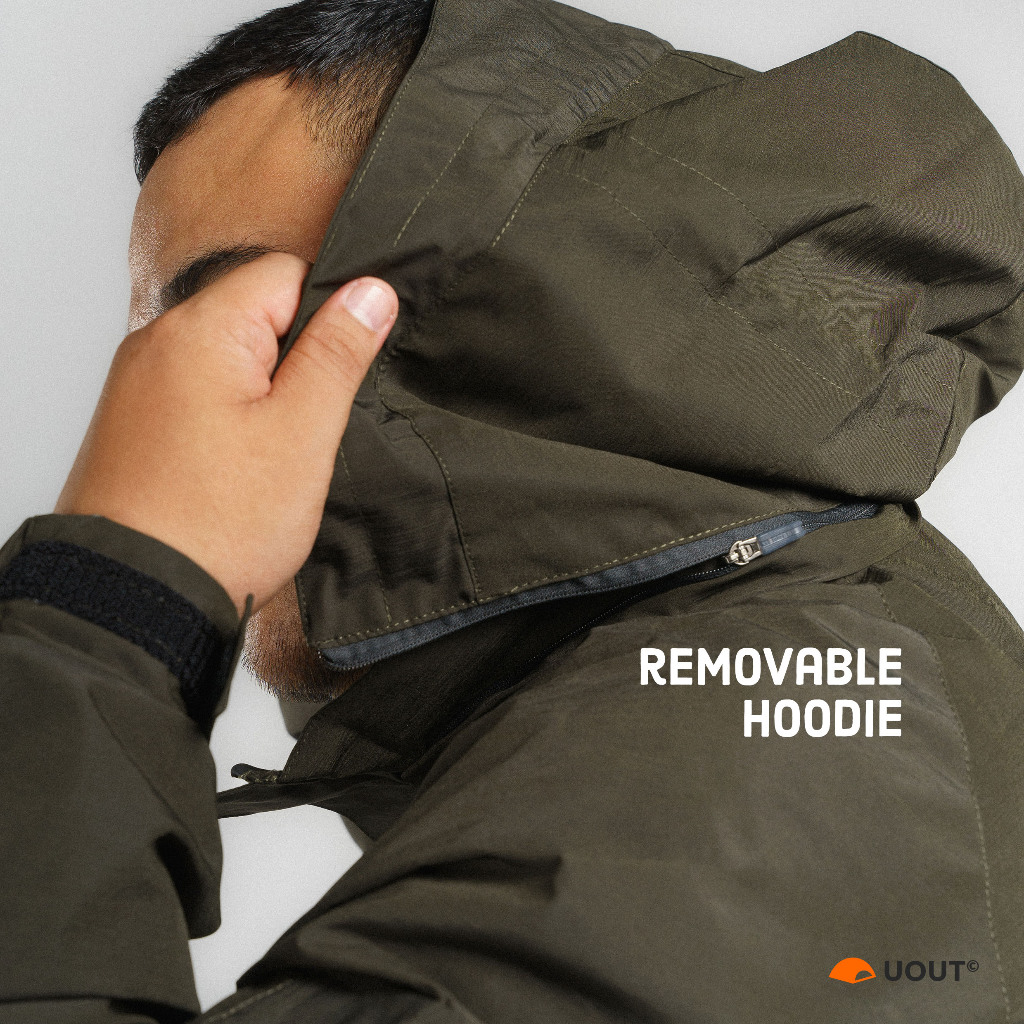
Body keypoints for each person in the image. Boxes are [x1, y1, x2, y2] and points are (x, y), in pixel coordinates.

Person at [3, 0, 1024, 1021]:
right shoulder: (791, 676)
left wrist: (106, 603)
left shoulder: (739, 790)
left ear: (523, 294)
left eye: (232, 320)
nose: (159, 424)